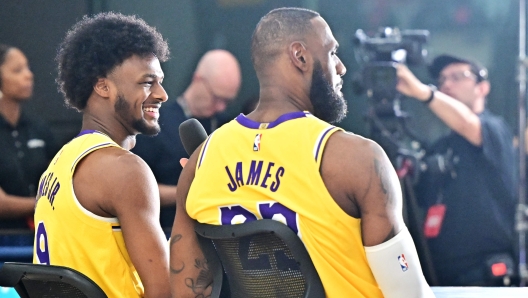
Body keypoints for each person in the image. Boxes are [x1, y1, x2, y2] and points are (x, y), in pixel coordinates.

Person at [169, 7, 433, 298]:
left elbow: (187, 289)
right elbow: (408, 293)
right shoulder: (357, 159)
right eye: (332, 53)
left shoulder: (201, 162)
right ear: (301, 57)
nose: (342, 67)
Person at [33, 12, 171, 297]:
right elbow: (165, 291)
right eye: (147, 82)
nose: (161, 94)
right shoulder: (125, 170)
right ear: (102, 86)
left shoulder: (58, 164)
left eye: (160, 81)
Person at [396, 55, 517, 286]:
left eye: (458, 77)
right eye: (442, 80)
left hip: (486, 275)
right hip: (438, 275)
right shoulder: (440, 147)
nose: (447, 85)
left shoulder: (495, 130)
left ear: (482, 87)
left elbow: (468, 124)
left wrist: (424, 92)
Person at [132, 49, 241, 231]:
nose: (220, 107)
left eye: (227, 101)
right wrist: (186, 193)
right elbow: (135, 190)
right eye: (217, 98)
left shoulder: (228, 125)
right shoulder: (156, 123)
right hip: (169, 229)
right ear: (198, 79)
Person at [0, 44, 59, 238]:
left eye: (28, 68)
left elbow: (62, 180)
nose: (28, 75)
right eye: (18, 70)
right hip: (5, 241)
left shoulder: (38, 128)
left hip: (41, 238)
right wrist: (47, 203)